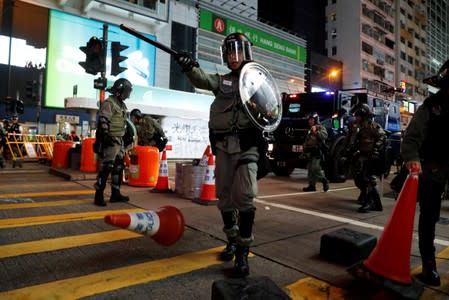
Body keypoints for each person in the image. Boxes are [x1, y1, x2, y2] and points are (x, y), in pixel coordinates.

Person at [175, 32, 267, 277]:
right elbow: (203, 80)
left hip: (248, 145)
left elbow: (271, 108)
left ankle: (243, 253)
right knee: (224, 198)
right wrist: (189, 67)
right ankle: (233, 239)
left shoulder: (257, 80)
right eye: (229, 52)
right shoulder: (223, 82)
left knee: (246, 195)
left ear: (247, 53)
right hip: (224, 145)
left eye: (237, 51)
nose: (233, 56)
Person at [400, 59, 449, 287]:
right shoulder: (432, 105)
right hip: (433, 169)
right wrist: (413, 160)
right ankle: (429, 264)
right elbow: (411, 139)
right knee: (429, 217)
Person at [93, 78, 132, 206]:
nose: (128, 94)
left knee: (118, 167)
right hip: (111, 140)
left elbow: (123, 122)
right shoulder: (109, 103)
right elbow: (103, 120)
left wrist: (126, 135)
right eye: (126, 91)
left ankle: (115, 193)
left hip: (119, 141)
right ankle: (98, 195)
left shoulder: (121, 104)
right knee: (106, 167)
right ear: (120, 91)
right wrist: (105, 136)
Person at [343, 104, 386, 213]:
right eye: (356, 115)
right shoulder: (356, 126)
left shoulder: (371, 125)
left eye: (358, 115)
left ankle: (369, 202)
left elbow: (382, 136)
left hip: (369, 156)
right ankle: (376, 204)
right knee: (360, 179)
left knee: (366, 179)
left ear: (363, 115)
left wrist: (376, 148)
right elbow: (349, 139)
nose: (356, 117)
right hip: (359, 155)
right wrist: (346, 150)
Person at [302, 113, 329, 192]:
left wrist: (316, 132)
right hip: (310, 152)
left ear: (316, 120)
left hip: (317, 152)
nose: (310, 121)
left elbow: (324, 136)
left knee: (315, 168)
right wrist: (304, 149)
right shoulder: (310, 129)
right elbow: (307, 140)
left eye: (312, 120)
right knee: (310, 169)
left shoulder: (320, 127)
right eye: (309, 120)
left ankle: (324, 180)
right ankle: (312, 185)